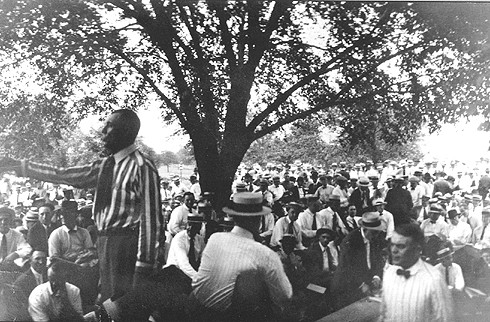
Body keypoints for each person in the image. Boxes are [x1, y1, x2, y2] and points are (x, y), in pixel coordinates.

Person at [0, 109, 163, 303]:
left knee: (124, 306)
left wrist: (143, 268)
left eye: (110, 125)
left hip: (125, 245)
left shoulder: (142, 166)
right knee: (107, 303)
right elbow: (64, 174)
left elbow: (152, 222)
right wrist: (22, 167)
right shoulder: (105, 166)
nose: (103, 130)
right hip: (105, 243)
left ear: (126, 131)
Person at [191, 192, 292, 320]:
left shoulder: (214, 239)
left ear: (234, 218)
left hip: (196, 309)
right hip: (226, 317)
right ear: (258, 220)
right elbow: (285, 295)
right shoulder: (265, 254)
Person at [381, 223, 454, 321]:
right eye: (392, 245)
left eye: (401, 246)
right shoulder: (389, 274)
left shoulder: (433, 280)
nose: (394, 250)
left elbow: (444, 319)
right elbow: (384, 315)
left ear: (418, 249)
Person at [332, 209, 387, 309]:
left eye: (377, 233)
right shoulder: (350, 241)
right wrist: (361, 284)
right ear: (365, 229)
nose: (376, 236)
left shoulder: (375, 238)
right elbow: (347, 268)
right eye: (374, 233)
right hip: (347, 286)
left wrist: (376, 276)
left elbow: (378, 260)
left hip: (366, 282)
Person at [8, 250, 48, 321]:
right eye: (37, 258)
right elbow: (22, 307)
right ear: (30, 261)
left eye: (43, 259)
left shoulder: (49, 276)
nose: (41, 262)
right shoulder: (21, 282)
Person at [164, 214, 205, 280]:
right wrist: (198, 278)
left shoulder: (200, 239)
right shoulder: (179, 238)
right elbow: (183, 264)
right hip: (175, 273)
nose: (190, 228)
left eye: (194, 226)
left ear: (199, 227)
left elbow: (203, 258)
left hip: (190, 273)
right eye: (189, 224)